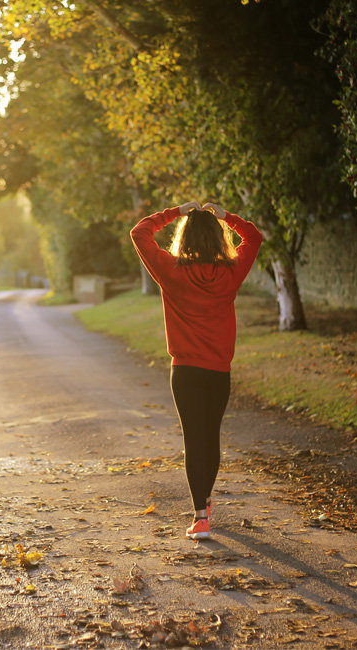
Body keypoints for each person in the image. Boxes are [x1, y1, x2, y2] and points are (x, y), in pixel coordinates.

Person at [130, 200, 263, 540]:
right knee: (210, 437)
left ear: (184, 238)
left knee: (194, 439)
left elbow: (140, 232)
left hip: (186, 371)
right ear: (219, 239)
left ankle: (200, 516)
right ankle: (204, 503)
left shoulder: (171, 271)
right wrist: (226, 216)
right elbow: (254, 237)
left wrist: (175, 212)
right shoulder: (231, 272)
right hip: (218, 371)